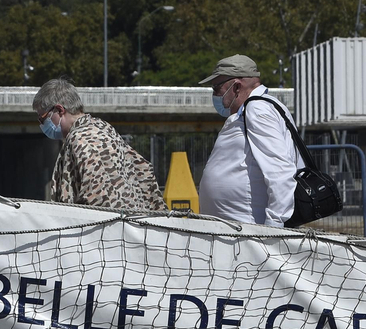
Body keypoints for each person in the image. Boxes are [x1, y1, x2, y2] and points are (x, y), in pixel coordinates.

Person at [195, 55, 301, 226]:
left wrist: (273, 228)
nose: (214, 94)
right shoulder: (255, 108)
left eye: (216, 87)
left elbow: (280, 171)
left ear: (236, 86)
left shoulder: (257, 109)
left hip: (247, 230)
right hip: (237, 230)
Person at [34, 78, 164, 211]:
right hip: (133, 224)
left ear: (60, 110)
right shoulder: (104, 128)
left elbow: (96, 198)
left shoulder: (80, 139)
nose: (41, 124)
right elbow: (143, 170)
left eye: (42, 118)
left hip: (106, 228)